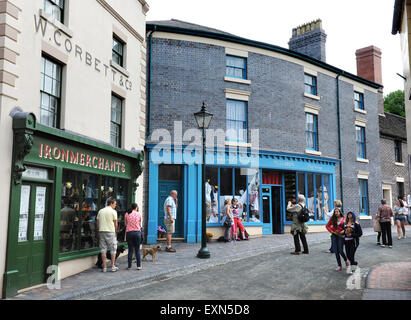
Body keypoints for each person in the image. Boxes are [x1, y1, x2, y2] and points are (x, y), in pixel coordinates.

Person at [96, 197, 119, 272]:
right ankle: (112, 266)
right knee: (113, 249)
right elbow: (116, 224)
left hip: (102, 231)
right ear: (111, 203)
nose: (115, 205)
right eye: (115, 204)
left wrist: (98, 231)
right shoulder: (113, 211)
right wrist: (115, 232)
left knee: (103, 250)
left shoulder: (100, 211)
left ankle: (105, 267)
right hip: (110, 231)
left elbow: (97, 223)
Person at [124, 203, 142, 270]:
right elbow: (139, 224)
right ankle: (139, 266)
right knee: (137, 250)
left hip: (129, 232)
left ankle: (129, 266)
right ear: (136, 207)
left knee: (130, 250)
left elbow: (126, 224)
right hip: (137, 232)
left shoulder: (127, 214)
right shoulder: (139, 214)